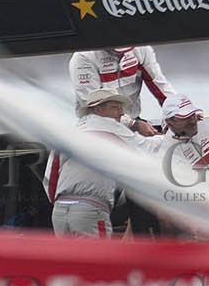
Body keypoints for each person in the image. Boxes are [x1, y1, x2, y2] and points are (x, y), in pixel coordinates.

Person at [47, 88, 162, 237]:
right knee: (96, 259)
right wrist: (172, 135)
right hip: (90, 209)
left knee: (68, 259)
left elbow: (51, 173)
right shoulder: (109, 128)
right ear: (98, 109)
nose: (121, 112)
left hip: (60, 210)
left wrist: (57, 201)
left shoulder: (69, 131)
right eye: (115, 107)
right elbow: (147, 148)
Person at [69, 46, 178, 136]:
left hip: (133, 121)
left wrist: (177, 114)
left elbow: (160, 86)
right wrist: (133, 124)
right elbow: (94, 105)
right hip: (96, 125)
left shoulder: (141, 48)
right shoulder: (82, 57)